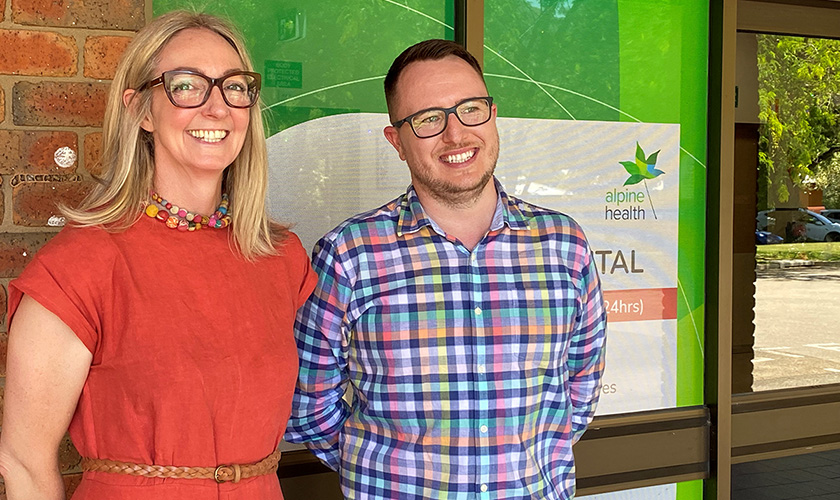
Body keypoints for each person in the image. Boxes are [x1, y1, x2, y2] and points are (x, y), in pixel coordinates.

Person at [0, 11, 315, 500]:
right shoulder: (80, 266)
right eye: (187, 86)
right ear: (140, 111)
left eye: (234, 87)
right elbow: (23, 461)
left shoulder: (281, 258)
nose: (217, 109)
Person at [285, 39, 607, 499]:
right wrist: (388, 472)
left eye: (470, 108)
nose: (455, 134)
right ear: (396, 141)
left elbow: (579, 393)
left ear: (492, 115)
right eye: (428, 119)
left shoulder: (563, 246)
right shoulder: (348, 255)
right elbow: (311, 409)